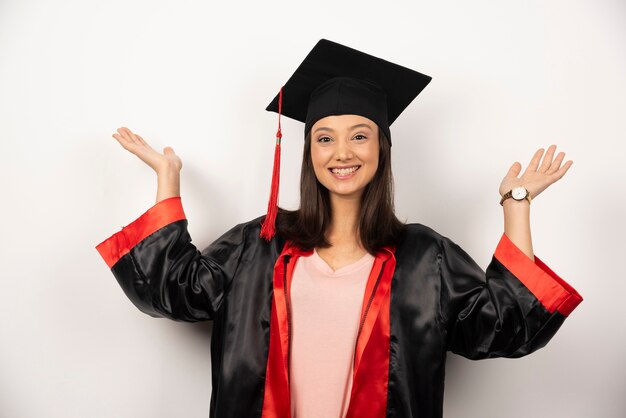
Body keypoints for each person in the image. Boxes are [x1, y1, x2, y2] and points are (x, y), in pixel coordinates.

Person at [95, 39, 583, 418]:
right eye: (325, 138)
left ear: (381, 148)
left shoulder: (423, 257)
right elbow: (171, 290)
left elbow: (505, 326)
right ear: (309, 152)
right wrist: (168, 182)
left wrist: (516, 204)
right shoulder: (259, 244)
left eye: (360, 136)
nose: (342, 153)